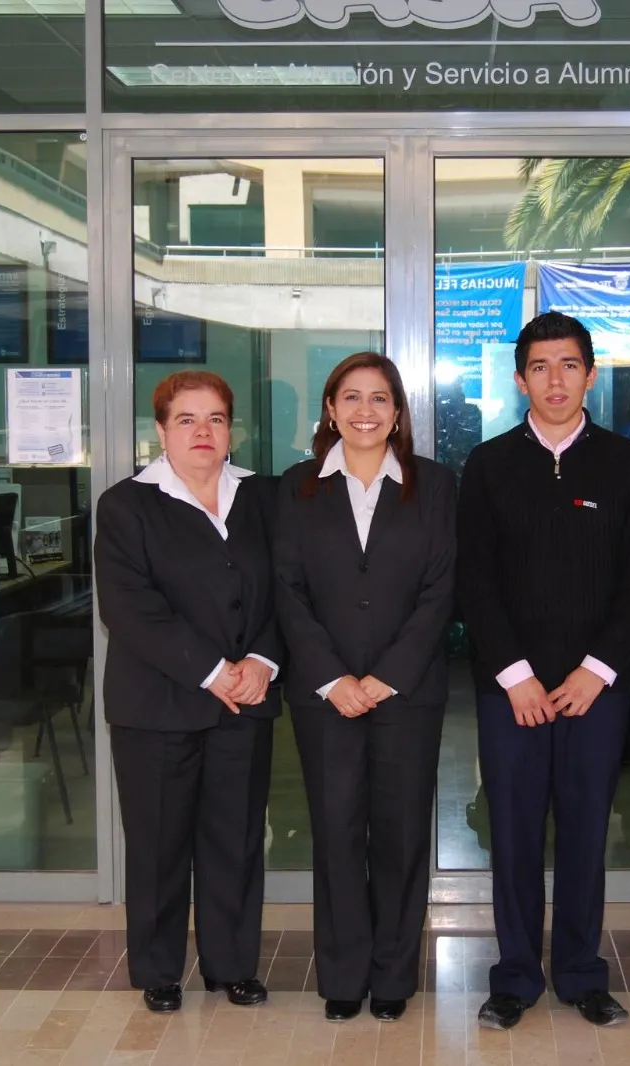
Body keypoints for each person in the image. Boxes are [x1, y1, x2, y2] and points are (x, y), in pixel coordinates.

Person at [456, 312, 630, 1031]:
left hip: (595, 691)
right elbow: (473, 579)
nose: (555, 379)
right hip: (507, 688)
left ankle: (580, 972)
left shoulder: (627, 465)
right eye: (541, 367)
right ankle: (515, 976)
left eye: (569, 365)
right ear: (520, 378)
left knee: (584, 831)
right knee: (511, 833)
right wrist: (513, 673)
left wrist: (596, 670)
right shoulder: (487, 466)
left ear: (591, 375)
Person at [275, 353, 457, 1024]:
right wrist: (332, 677)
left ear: (399, 413)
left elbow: (442, 588)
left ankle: (394, 978)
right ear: (329, 409)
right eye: (350, 398)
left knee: (402, 835)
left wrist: (385, 677)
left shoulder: (433, 485)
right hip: (324, 697)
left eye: (379, 399)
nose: (365, 412)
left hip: (406, 693)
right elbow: (286, 590)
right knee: (337, 833)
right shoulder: (295, 488)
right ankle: (344, 977)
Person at [95, 370, 281, 1015]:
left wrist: (261, 659)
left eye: (216, 420)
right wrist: (212, 671)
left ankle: (232, 966)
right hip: (157, 706)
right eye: (187, 420)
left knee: (234, 841)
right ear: (160, 430)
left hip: (247, 700)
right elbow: (129, 608)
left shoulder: (266, 498)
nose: (203, 432)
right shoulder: (126, 505)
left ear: (234, 430)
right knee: (158, 845)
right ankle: (159, 969)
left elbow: (291, 589)